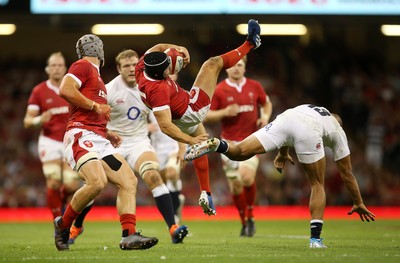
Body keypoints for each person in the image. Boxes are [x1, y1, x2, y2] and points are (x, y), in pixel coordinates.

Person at [185, 104, 376, 248]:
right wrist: (358, 202)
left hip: (286, 117)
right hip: (308, 129)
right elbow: (347, 174)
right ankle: (315, 239)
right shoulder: (338, 130)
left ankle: (217, 144)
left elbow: (291, 130)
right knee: (317, 184)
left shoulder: (314, 108)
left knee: (240, 151)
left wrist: (283, 153)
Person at [135, 19, 262, 216]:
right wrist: (190, 141)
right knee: (212, 64)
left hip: (182, 106)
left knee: (201, 143)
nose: (171, 68)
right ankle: (251, 43)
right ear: (161, 74)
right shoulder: (157, 90)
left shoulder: (143, 66)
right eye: (169, 68)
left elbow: (159, 47)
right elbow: (166, 126)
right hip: (191, 110)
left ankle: (206, 193)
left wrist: (178, 48)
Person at [53, 34, 158, 251]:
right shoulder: (83, 66)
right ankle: (63, 224)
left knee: (129, 180)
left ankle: (128, 235)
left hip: (99, 139)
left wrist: (106, 131)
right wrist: (94, 106)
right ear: (100, 51)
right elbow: (65, 89)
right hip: (81, 136)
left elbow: (92, 113)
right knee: (97, 182)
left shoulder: (97, 77)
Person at [105, 49, 188, 244]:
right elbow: (96, 120)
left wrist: (183, 144)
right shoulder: (109, 90)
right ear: (118, 68)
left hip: (138, 143)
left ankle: (173, 228)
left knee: (153, 175)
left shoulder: (149, 86)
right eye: (126, 65)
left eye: (135, 64)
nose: (132, 69)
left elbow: (168, 119)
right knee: (95, 184)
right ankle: (75, 227)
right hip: (112, 145)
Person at [203, 56, 273, 237]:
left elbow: (266, 103)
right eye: (233, 66)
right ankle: (245, 221)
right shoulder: (220, 90)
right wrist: (225, 112)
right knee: (235, 187)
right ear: (226, 69)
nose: (236, 68)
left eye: (240, 65)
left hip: (251, 141)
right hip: (228, 143)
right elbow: (206, 116)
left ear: (245, 67)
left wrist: (265, 117)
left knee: (247, 178)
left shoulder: (254, 86)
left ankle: (250, 215)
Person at [23, 52, 84, 220]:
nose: (56, 69)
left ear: (65, 69)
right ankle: (57, 221)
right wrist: (39, 120)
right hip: (49, 141)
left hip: (70, 141)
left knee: (71, 185)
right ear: (47, 69)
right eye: (53, 66)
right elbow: (27, 121)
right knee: (54, 182)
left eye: (59, 65)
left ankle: (63, 208)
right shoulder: (39, 91)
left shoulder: (73, 88)